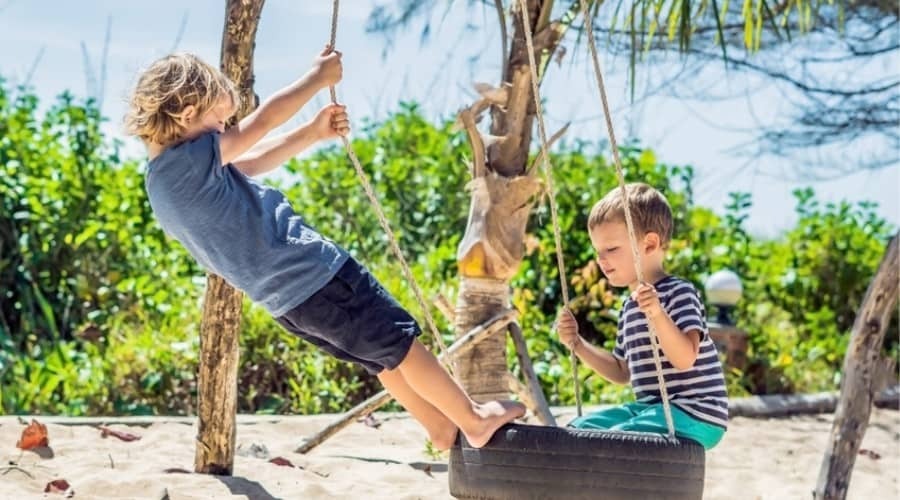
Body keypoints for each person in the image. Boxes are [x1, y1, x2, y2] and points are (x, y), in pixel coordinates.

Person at [124, 48, 524, 450]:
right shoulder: (189, 164)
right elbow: (260, 125)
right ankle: (471, 418)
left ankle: (437, 427)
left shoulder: (164, 184)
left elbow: (254, 160)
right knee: (399, 339)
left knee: (380, 356)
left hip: (288, 306)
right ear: (186, 113)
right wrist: (316, 78)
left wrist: (311, 134)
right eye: (219, 122)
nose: (225, 130)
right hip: (314, 274)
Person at [556, 183, 727, 449]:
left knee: (618, 437)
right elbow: (622, 371)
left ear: (649, 244)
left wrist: (657, 314)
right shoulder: (629, 307)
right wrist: (577, 344)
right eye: (597, 252)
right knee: (580, 429)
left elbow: (684, 358)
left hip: (696, 413)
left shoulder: (678, 293)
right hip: (652, 411)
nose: (601, 260)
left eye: (611, 249)